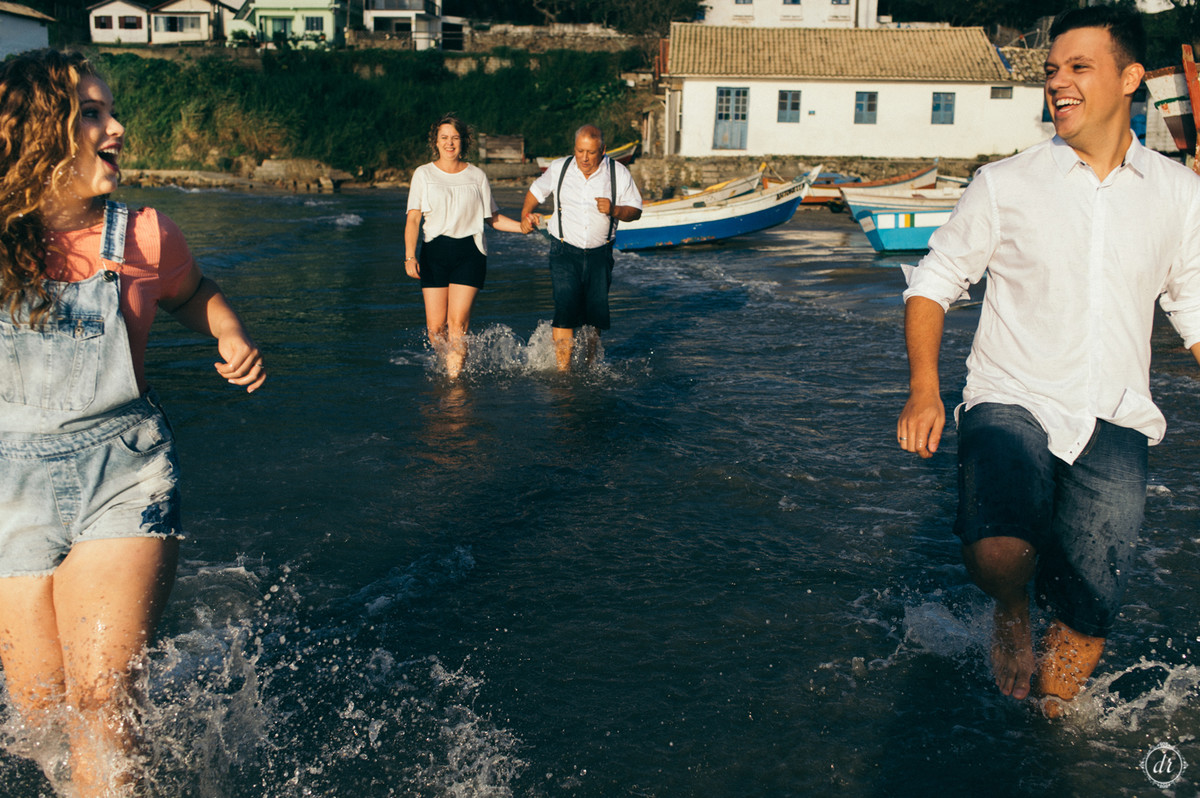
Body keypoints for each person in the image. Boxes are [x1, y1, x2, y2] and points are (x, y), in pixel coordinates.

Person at [898, 7, 1200, 715]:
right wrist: (924, 389)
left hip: (1115, 414)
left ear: (1129, 78)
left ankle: (1048, 731)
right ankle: (1010, 610)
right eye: (1051, 70)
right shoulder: (1005, 182)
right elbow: (934, 282)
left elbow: (1193, 307)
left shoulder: (1180, 194)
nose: (1057, 82)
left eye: (1078, 67)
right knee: (1000, 551)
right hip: (1012, 396)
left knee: (1088, 615)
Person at [0, 50, 265, 794]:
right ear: (36, 130)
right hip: (9, 494)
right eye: (91, 113)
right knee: (42, 720)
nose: (116, 128)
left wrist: (229, 332)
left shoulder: (145, 235)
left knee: (102, 703)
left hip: (123, 475)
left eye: (112, 112)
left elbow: (195, 292)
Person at [404, 114, 527, 379]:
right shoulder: (423, 174)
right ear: (435, 142)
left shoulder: (476, 175)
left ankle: (454, 385)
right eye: (444, 138)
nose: (449, 143)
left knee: (457, 325)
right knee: (435, 330)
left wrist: (523, 227)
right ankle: (452, 367)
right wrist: (409, 256)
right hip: (433, 254)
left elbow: (492, 218)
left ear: (463, 142)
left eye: (455, 138)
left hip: (470, 254)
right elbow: (413, 218)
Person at [520, 124, 643, 371]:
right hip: (564, 251)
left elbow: (636, 210)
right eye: (579, 151)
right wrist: (525, 214)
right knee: (565, 307)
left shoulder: (617, 173)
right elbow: (536, 191)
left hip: (600, 254)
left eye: (591, 152)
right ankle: (563, 373)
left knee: (594, 316)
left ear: (603, 150)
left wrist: (615, 209)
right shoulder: (560, 168)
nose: (584, 158)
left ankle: (588, 368)